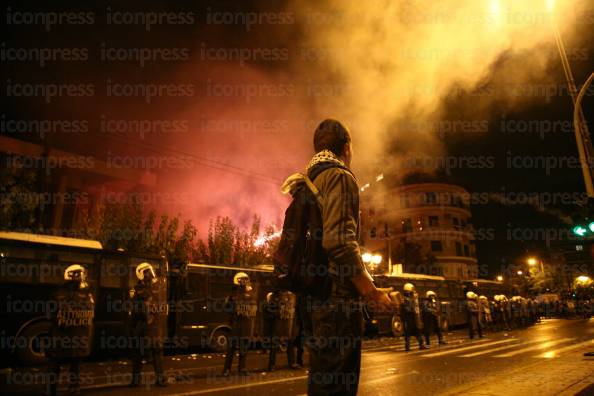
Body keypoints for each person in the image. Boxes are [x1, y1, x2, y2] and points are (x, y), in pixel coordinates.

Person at [285, 119, 394, 395]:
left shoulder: (310, 181)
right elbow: (341, 243)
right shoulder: (340, 176)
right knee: (337, 387)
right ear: (346, 147)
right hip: (338, 301)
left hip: (315, 299)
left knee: (323, 382)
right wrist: (371, 292)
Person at [47, 264, 95, 396]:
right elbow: (90, 315)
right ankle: (74, 388)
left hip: (61, 337)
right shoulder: (87, 295)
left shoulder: (58, 293)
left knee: (56, 365)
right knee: (75, 365)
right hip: (78, 338)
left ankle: (52, 390)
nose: (82, 278)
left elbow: (50, 315)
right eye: (80, 275)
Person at [130, 262, 167, 387]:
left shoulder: (148, 289)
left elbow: (137, 310)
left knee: (150, 353)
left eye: (149, 271)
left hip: (149, 327)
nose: (149, 274)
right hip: (149, 327)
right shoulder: (144, 289)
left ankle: (155, 379)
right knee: (146, 354)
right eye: (147, 272)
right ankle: (154, 379)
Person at [222, 272, 258, 376]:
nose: (244, 282)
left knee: (243, 348)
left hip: (246, 323)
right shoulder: (233, 293)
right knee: (231, 348)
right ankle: (227, 369)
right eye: (242, 280)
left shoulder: (251, 292)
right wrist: (233, 305)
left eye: (245, 280)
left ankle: (241, 368)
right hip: (236, 323)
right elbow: (227, 308)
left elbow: (254, 307)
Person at [264, 289, 297, 371]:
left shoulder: (290, 296)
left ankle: (292, 363)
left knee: (289, 343)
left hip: (287, 322)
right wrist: (277, 313)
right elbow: (269, 310)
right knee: (274, 345)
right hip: (278, 323)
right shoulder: (274, 296)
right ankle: (272, 365)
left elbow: (293, 308)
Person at [401, 283, 427, 351]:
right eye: (412, 291)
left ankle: (421, 344)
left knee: (417, 331)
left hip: (413, 318)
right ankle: (407, 346)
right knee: (408, 333)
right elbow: (408, 309)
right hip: (408, 318)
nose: (413, 292)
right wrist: (414, 302)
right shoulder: (404, 299)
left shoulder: (410, 298)